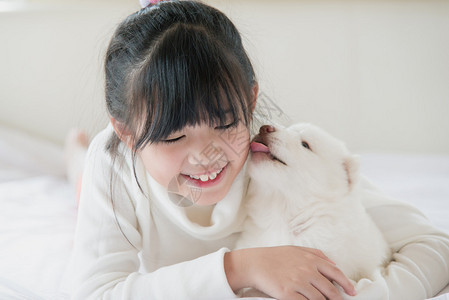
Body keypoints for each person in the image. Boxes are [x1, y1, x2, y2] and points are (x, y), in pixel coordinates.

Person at [66, 1, 449, 299]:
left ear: (250, 103)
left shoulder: (275, 161)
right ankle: (76, 155)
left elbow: (436, 246)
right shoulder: (115, 159)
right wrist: (240, 268)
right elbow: (94, 293)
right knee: (84, 184)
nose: (206, 155)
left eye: (224, 123)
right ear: (128, 135)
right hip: (106, 175)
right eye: (173, 137)